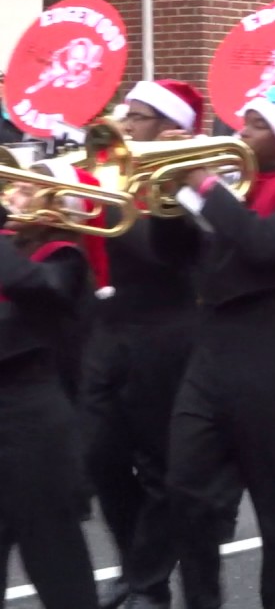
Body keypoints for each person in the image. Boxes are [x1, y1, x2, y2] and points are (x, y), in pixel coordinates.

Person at [154, 89, 275, 609]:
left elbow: (262, 246)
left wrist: (202, 184)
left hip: (268, 355)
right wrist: (168, 189)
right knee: (186, 491)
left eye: (256, 125)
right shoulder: (228, 188)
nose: (241, 132)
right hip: (210, 351)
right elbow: (172, 255)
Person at [79, 80, 204, 609]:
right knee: (101, 460)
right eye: (127, 115)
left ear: (171, 128)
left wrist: (179, 183)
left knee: (158, 468)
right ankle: (134, 564)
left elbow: (168, 255)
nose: (125, 126)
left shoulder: (193, 187)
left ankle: (150, 581)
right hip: (105, 333)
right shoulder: (112, 177)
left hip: (165, 336)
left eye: (139, 117)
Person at [0, 185, 100, 609]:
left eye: (30, 188)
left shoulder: (61, 257)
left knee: (54, 554)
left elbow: (27, 286)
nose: (17, 193)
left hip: (28, 406)